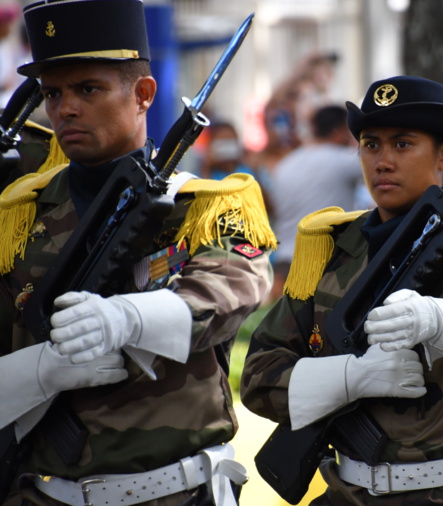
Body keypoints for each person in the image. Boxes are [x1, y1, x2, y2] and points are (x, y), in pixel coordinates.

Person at [0, 1, 276, 505]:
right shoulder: (17, 214)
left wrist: (128, 316)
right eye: (53, 93)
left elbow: (233, 286)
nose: (65, 109)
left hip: (175, 491)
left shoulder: (202, 206)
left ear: (144, 93)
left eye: (88, 89)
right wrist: (36, 372)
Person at [241, 75, 443, 505]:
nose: (382, 161)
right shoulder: (328, 249)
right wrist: (347, 379)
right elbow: (258, 374)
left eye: (402, 144)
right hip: (349, 493)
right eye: (370, 144)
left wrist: (436, 319)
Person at [268, 104, 365, 301]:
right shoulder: (344, 161)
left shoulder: (286, 164)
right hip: (326, 263)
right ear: (342, 129)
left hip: (285, 263)